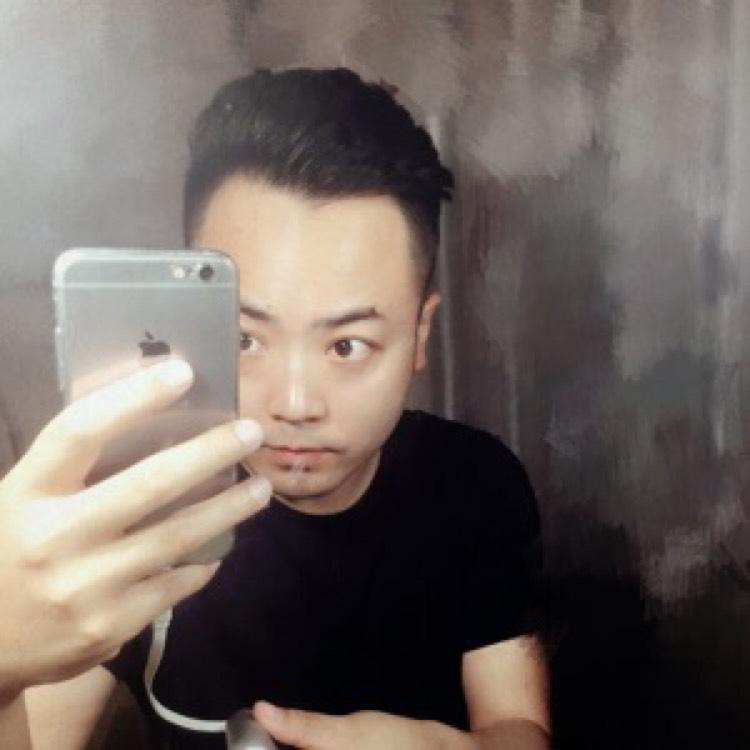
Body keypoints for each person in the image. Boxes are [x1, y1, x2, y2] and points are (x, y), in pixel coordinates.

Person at [1, 67, 549, 749]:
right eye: (244, 339)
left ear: (419, 335)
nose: (295, 404)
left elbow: (519, 728)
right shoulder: (140, 508)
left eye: (347, 345)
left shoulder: (473, 483)